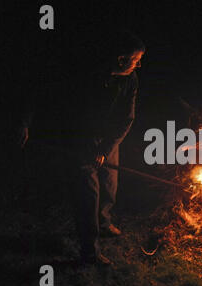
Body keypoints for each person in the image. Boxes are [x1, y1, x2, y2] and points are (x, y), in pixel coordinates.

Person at [74, 34, 145, 265]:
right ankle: (89, 251)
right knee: (89, 193)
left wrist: (106, 148)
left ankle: (104, 223)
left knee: (109, 184)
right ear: (121, 59)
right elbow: (77, 113)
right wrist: (91, 147)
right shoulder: (90, 76)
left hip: (108, 140)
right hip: (83, 139)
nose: (138, 65)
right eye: (135, 60)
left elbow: (127, 118)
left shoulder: (130, 79)